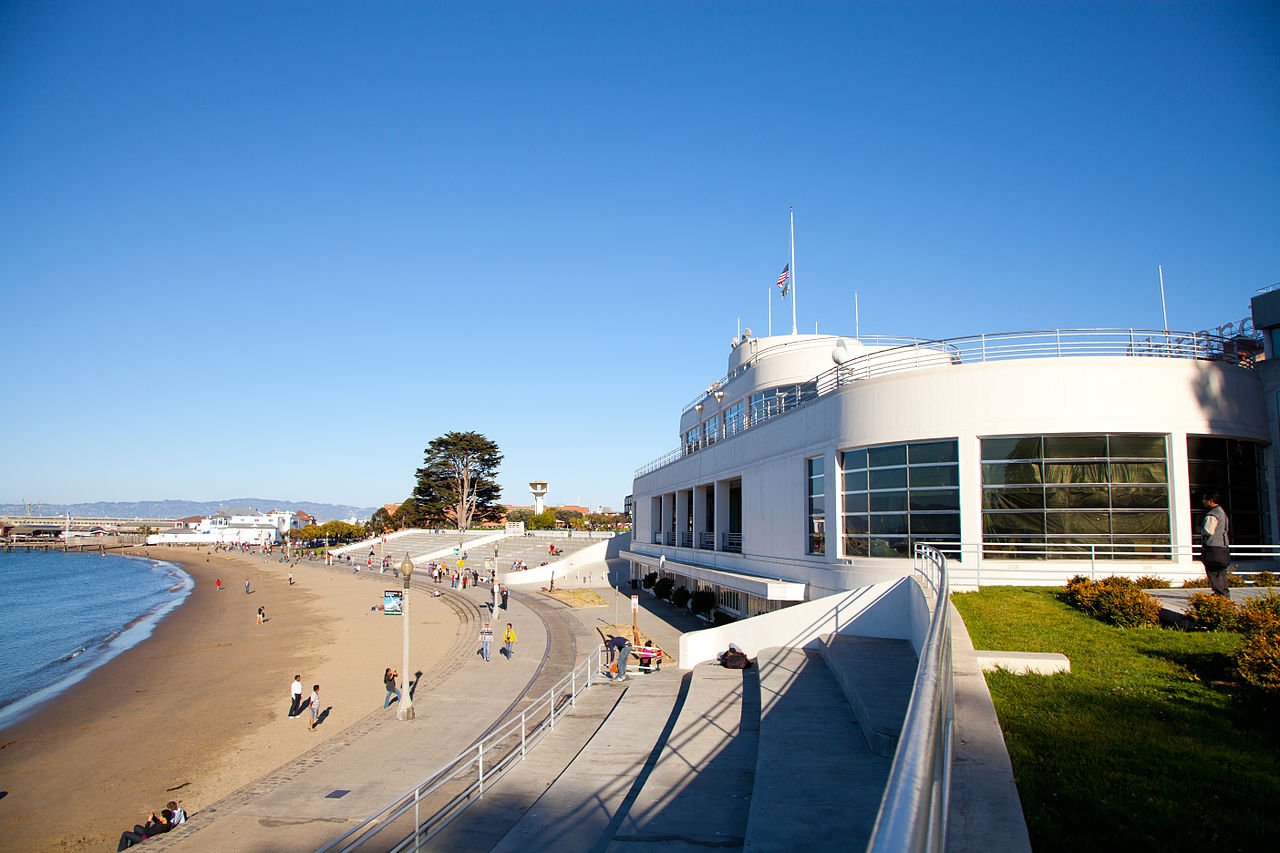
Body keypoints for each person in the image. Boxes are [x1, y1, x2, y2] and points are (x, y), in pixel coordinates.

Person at [1200, 492, 1232, 597]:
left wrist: (1200, 530)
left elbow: (1208, 530)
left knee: (1213, 570)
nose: (1203, 501)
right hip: (1222, 546)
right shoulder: (1222, 512)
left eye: (1205, 499)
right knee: (1221, 571)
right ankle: (1224, 592)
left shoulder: (1212, 514)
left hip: (1213, 547)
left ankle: (1219, 593)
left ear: (1210, 501)